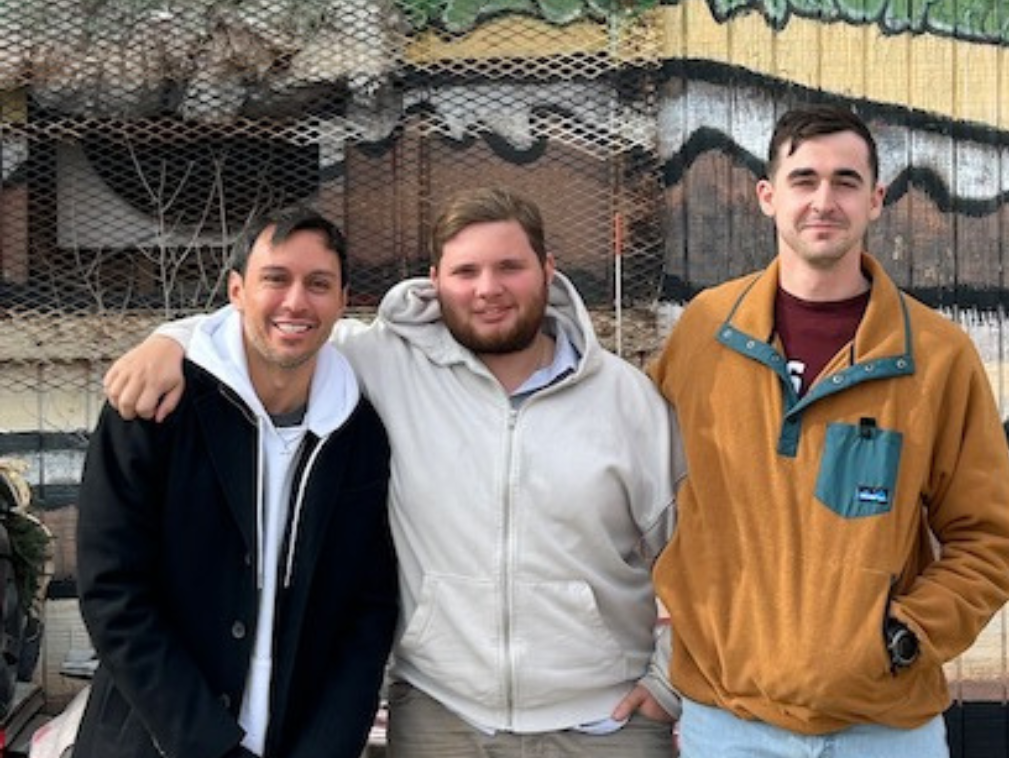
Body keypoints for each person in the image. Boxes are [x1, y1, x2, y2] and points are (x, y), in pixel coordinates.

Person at [102, 187, 684, 757]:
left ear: (548, 270)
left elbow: (701, 552)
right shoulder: (384, 362)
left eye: (510, 267)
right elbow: (278, 329)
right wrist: (169, 340)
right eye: (465, 271)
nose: (488, 289)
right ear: (435, 280)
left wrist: (667, 680)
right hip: (444, 719)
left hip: (607, 724)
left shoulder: (626, 401)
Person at [647, 104, 1009, 756]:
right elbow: (633, 488)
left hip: (885, 732)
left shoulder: (936, 357)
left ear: (876, 200)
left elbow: (989, 540)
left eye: (845, 181)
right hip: (728, 724)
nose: (824, 200)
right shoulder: (705, 335)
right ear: (768, 197)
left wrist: (903, 636)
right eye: (804, 180)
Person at [76, 208, 399, 758]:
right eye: (275, 279)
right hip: (154, 740)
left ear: (344, 301)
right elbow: (113, 591)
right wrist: (211, 745)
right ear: (236, 290)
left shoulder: (359, 431)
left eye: (318, 284)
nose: (296, 302)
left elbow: (367, 613)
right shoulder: (156, 410)